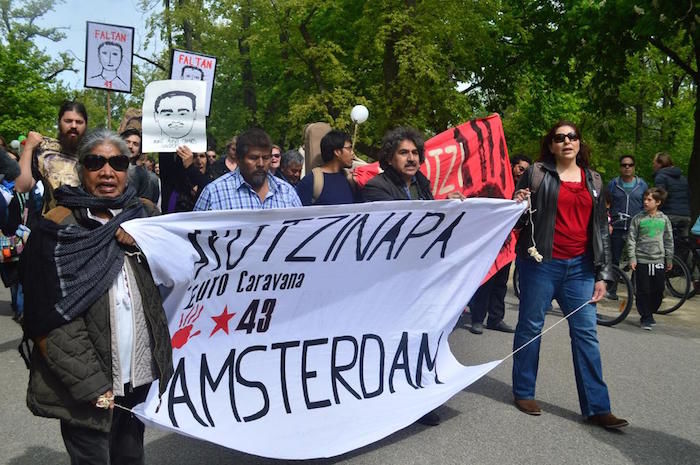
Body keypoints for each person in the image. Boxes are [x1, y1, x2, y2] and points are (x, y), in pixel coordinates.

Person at [21, 128, 173, 464]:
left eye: (118, 162)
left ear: (128, 169)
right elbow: (47, 317)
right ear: (81, 170)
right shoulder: (56, 229)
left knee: (131, 459)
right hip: (85, 390)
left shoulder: (146, 220)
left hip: (136, 382)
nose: (107, 172)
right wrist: (90, 384)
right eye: (95, 162)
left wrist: (149, 243)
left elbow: (184, 274)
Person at [511, 121, 628, 430]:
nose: (566, 142)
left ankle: (598, 407)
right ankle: (523, 391)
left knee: (586, 334)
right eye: (559, 138)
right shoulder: (536, 173)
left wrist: (603, 274)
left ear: (579, 143)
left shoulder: (594, 180)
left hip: (580, 268)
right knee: (530, 327)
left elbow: (601, 228)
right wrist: (518, 203)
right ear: (551, 145)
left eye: (571, 137)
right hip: (540, 263)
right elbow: (516, 219)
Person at [360, 127, 463, 426]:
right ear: (389, 158)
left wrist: (447, 204)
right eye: (403, 153)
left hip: (420, 277)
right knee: (391, 338)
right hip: (389, 279)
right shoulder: (375, 188)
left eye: (415, 152)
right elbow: (403, 221)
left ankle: (418, 399)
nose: (411, 158)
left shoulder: (422, 183)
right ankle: (385, 395)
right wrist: (438, 207)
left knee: (419, 337)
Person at [194, 128, 301, 211]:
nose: (261, 164)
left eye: (266, 158)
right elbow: (194, 235)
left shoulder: (287, 193)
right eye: (253, 158)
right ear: (239, 159)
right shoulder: (214, 193)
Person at [16, 101, 88, 214]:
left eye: (79, 122)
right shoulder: (44, 151)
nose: (73, 126)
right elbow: (21, 186)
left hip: (89, 226)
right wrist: (28, 148)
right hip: (51, 224)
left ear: (86, 125)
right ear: (59, 123)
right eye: (68, 121)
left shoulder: (94, 154)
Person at [626, 187, 674, 330]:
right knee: (643, 290)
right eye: (644, 199)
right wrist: (632, 257)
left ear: (658, 202)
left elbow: (668, 239)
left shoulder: (664, 219)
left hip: (658, 260)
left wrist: (669, 258)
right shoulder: (638, 218)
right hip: (642, 260)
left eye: (649, 200)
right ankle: (646, 316)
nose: (645, 202)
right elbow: (631, 239)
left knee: (658, 289)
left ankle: (651, 310)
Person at [606, 154, 648, 297]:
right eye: (624, 165)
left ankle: (636, 289)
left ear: (634, 167)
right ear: (620, 167)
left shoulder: (642, 185)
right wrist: (608, 221)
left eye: (630, 165)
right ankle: (612, 289)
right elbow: (606, 203)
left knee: (636, 259)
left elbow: (646, 205)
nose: (627, 167)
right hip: (617, 227)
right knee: (614, 259)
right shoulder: (613, 184)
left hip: (635, 228)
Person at [296, 130, 356, 205]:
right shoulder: (311, 182)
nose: (353, 153)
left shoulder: (349, 179)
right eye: (349, 148)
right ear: (337, 152)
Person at [652, 152, 691, 239]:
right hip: (685, 215)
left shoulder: (660, 177)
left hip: (669, 215)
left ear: (660, 164)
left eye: (654, 163)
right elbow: (689, 195)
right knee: (684, 244)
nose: (653, 165)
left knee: (662, 243)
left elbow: (660, 197)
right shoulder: (683, 178)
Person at [121, 128, 160, 204]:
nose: (130, 146)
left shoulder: (147, 176)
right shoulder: (107, 167)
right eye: (127, 142)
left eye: (135, 144)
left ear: (139, 151)